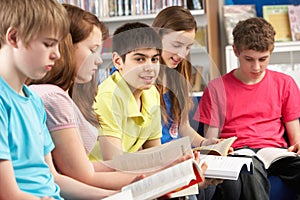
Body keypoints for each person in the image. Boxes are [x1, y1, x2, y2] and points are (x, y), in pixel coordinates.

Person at [0, 0, 116, 199]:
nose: (58, 54)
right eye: (48, 44)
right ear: (14, 37)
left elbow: (53, 178)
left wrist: (119, 195)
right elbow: (9, 194)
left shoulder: (34, 101)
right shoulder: (3, 101)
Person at [28, 4, 144, 191]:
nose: (98, 60)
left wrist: (150, 166)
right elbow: (82, 175)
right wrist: (148, 177)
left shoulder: (64, 95)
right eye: (93, 49)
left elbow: (83, 169)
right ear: (66, 46)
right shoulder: (54, 98)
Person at [193, 17, 300, 200]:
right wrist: (220, 150)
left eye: (263, 59)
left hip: (276, 152)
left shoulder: (285, 83)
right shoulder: (217, 88)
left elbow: (295, 136)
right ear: (235, 51)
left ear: (271, 52)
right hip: (239, 152)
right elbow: (211, 140)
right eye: (249, 59)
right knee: (248, 168)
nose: (256, 67)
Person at [152, 6, 222, 200]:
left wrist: (205, 142)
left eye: (188, 47)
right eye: (176, 44)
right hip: (161, 161)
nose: (182, 54)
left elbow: (181, 127)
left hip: (180, 157)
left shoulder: (177, 76)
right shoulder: (143, 77)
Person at [90, 22, 164, 161]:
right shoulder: (108, 96)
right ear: (118, 62)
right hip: (101, 176)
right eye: (140, 59)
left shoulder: (152, 92)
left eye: (154, 59)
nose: (150, 68)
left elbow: (154, 152)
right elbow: (115, 163)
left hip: (129, 173)